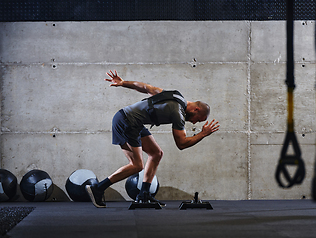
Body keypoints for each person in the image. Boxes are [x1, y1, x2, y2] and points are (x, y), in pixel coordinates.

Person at [86, 70, 220, 208]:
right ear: (196, 109)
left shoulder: (176, 96)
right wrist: (202, 134)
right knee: (136, 165)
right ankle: (98, 188)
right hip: (127, 121)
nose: (194, 123)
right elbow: (181, 144)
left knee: (156, 153)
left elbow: (146, 88)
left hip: (133, 121)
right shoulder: (178, 114)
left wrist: (123, 83)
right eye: (198, 120)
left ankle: (144, 194)